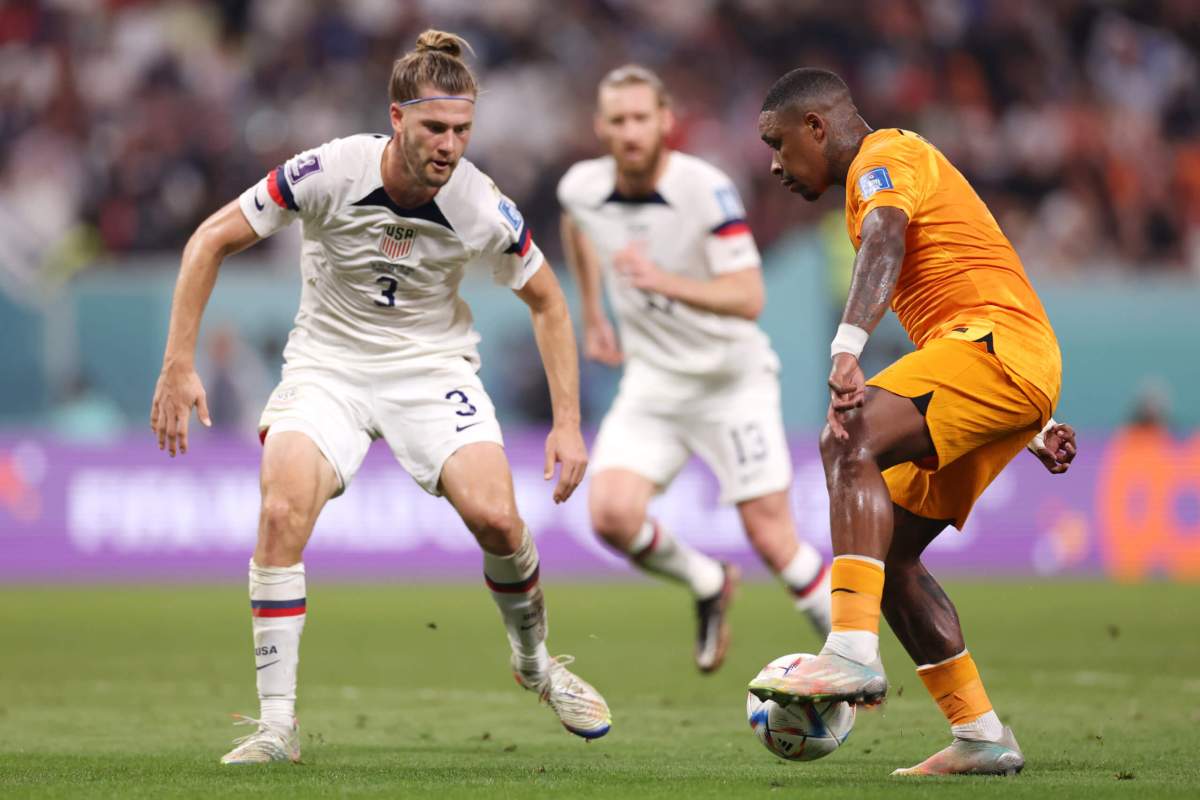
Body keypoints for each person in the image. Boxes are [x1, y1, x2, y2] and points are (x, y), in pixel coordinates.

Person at [149, 30, 611, 765]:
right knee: (279, 510)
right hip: (328, 365)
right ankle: (276, 726)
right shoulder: (328, 170)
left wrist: (568, 425)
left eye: (462, 130)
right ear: (396, 118)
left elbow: (552, 305)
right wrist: (179, 363)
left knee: (497, 518)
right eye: (435, 128)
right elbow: (208, 239)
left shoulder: (482, 204)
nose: (450, 145)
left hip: (432, 370)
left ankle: (535, 662)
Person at [747, 68, 1078, 776]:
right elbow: (977, 279)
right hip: (1002, 364)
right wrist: (1038, 418)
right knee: (889, 552)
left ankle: (849, 653)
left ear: (817, 127)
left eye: (778, 142)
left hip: (994, 347)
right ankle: (981, 733)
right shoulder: (881, 176)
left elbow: (886, 242)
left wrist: (846, 350)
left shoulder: (884, 158)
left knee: (847, 432)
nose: (774, 164)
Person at [558, 65, 831, 675]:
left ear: (665, 121)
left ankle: (850, 653)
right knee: (611, 515)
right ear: (601, 127)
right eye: (618, 120)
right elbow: (578, 225)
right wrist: (593, 310)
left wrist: (663, 282)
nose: (630, 131)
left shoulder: (705, 189)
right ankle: (708, 581)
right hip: (654, 382)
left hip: (729, 381)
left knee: (774, 541)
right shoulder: (582, 186)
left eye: (641, 118)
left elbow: (749, 296)